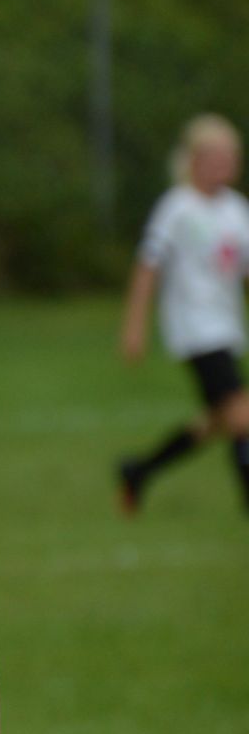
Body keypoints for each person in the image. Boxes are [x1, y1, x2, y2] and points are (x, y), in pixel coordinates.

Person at [117, 113, 249, 512]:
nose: (224, 163)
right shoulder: (176, 207)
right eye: (215, 156)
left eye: (230, 156)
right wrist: (134, 326)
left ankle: (139, 470)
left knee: (219, 420)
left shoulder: (237, 209)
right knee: (241, 415)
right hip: (195, 329)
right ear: (193, 159)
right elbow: (147, 267)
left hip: (227, 327)